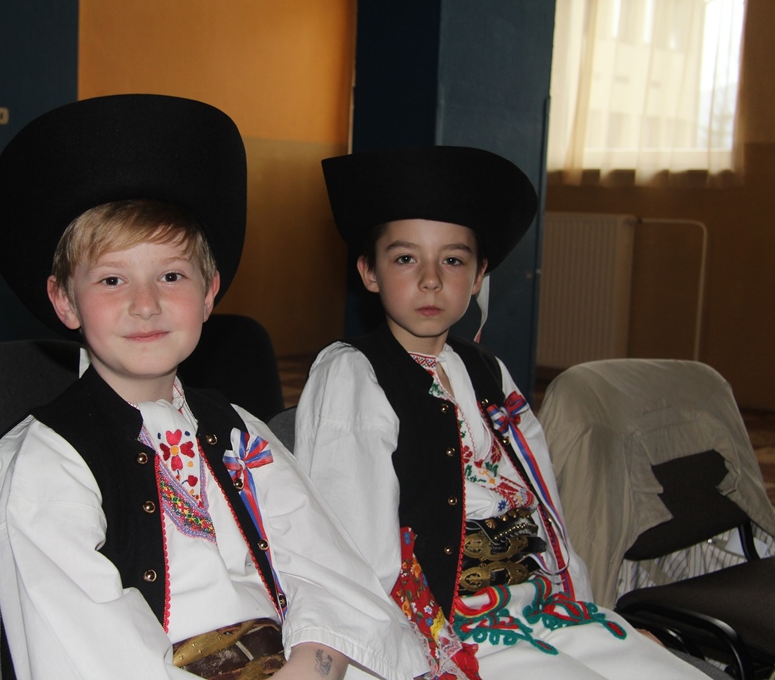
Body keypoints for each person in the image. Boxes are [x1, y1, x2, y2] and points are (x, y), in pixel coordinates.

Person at [0, 95, 428, 680]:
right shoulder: (49, 463)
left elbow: (326, 569)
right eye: (112, 280)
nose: (146, 303)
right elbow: (90, 651)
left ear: (210, 292)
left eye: (171, 275)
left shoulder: (235, 428)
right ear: (65, 302)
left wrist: (314, 663)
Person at [294, 146, 712, 679]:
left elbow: (543, 503)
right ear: (368, 272)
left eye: (452, 260)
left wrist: (590, 610)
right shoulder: (353, 373)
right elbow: (354, 537)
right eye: (405, 259)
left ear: (478, 275)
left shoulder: (485, 370)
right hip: (446, 627)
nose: (430, 279)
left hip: (534, 603)